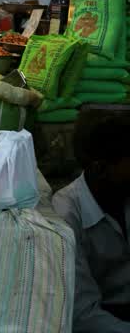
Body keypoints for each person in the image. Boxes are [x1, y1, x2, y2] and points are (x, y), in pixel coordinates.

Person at [53, 107, 130, 332]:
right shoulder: (67, 215)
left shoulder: (123, 190)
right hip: (106, 319)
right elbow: (83, 314)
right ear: (101, 168)